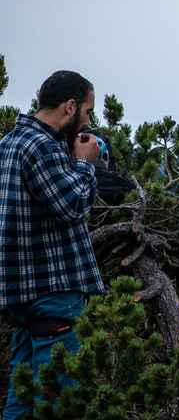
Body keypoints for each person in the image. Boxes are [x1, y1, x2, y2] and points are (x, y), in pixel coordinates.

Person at [0, 71, 104, 419]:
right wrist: (85, 165)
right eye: (87, 111)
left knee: (24, 392)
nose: (88, 120)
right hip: (52, 291)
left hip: (22, 293)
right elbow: (72, 205)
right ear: (70, 106)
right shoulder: (41, 147)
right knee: (62, 397)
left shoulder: (9, 143)